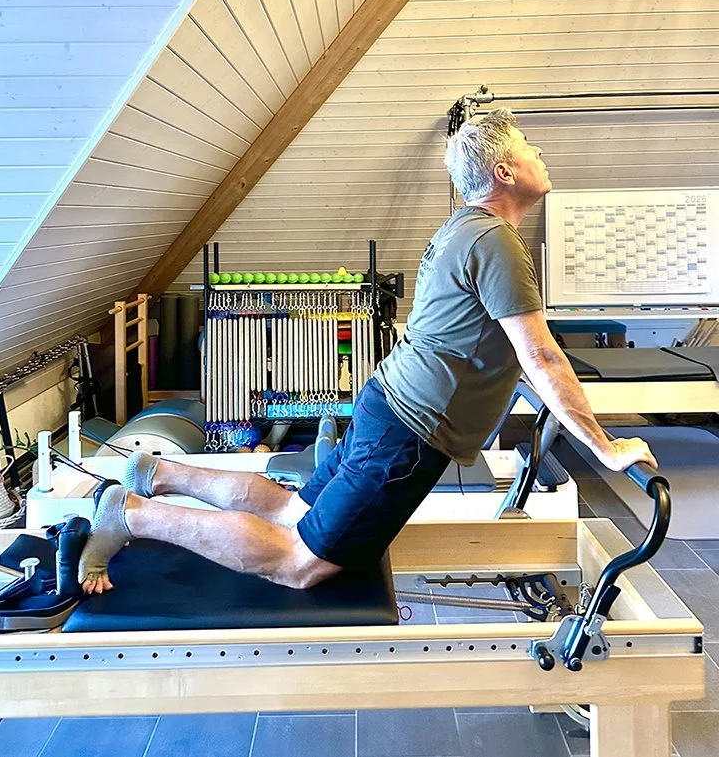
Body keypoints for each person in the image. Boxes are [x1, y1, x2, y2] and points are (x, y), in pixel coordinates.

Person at [78, 108, 657, 595]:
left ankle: (157, 471)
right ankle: (131, 515)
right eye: (530, 147)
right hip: (410, 432)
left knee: (292, 512)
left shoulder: (462, 228)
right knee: (300, 561)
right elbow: (543, 357)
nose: (541, 154)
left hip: (390, 404)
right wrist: (605, 448)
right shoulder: (496, 242)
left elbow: (475, 338)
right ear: (504, 171)